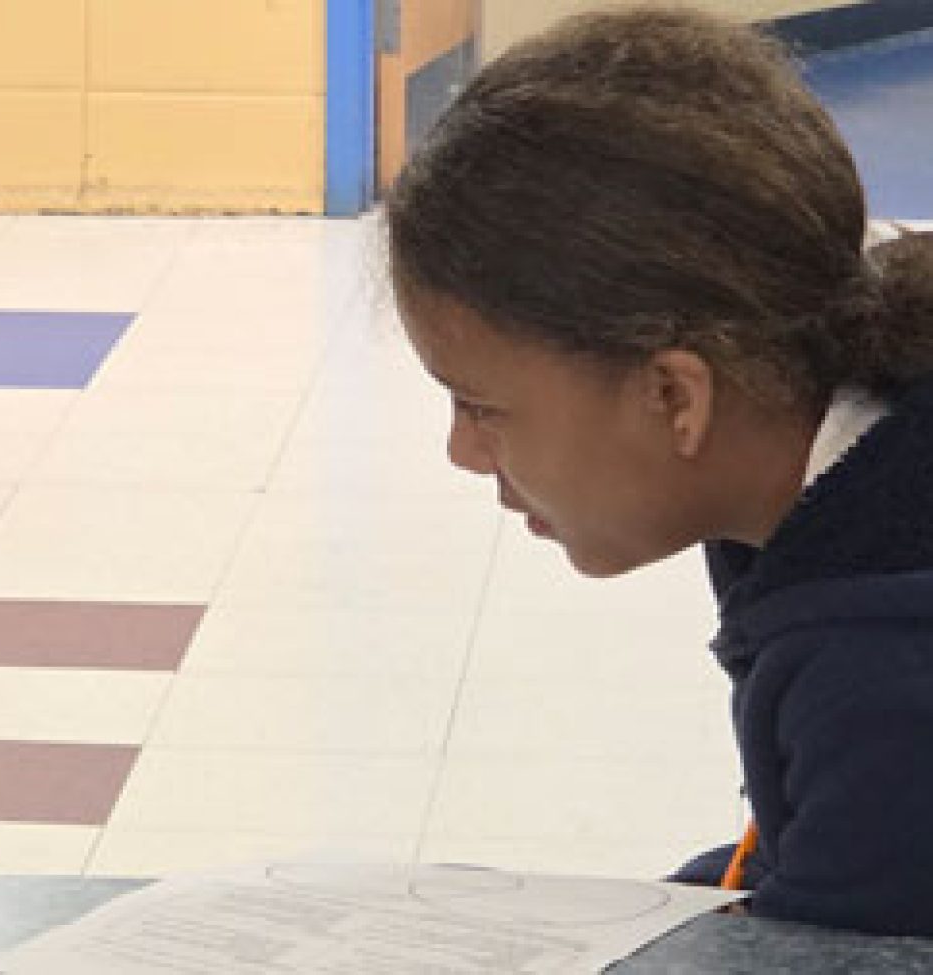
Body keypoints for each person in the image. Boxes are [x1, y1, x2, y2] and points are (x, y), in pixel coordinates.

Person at [386, 5, 933, 936]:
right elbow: (819, 866)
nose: (462, 452)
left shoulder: (886, 679)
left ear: (676, 396)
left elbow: (843, 942)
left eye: (483, 408)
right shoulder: (828, 491)